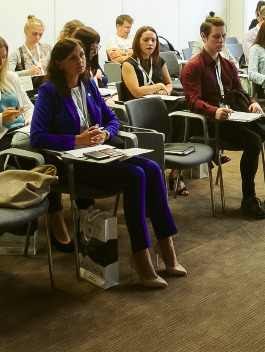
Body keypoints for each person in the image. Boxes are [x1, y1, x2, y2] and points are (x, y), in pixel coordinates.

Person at [31, 38, 184, 287]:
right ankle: (140, 254)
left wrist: (105, 133)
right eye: (72, 58)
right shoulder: (49, 91)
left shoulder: (89, 84)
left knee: (152, 168)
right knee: (135, 175)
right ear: (58, 63)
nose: (80, 61)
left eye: (82, 55)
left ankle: (166, 245)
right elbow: (37, 137)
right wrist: (77, 140)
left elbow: (112, 119)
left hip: (98, 152)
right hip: (71, 163)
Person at [182, 15, 265, 218]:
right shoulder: (193, 67)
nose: (221, 41)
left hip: (235, 115)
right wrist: (214, 111)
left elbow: (241, 92)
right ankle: (248, 198)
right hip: (212, 122)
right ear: (203, 37)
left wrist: (253, 102)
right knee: (254, 141)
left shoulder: (227, 65)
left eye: (224, 36)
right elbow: (192, 101)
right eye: (216, 37)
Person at [120, 26, 186, 195]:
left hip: (158, 103)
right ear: (137, 42)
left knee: (184, 108)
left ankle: (176, 171)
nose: (150, 43)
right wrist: (158, 86)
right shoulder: (129, 64)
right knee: (177, 115)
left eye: (153, 40)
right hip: (139, 109)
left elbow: (169, 84)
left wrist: (166, 91)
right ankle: (171, 169)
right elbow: (136, 91)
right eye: (146, 40)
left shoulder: (158, 61)